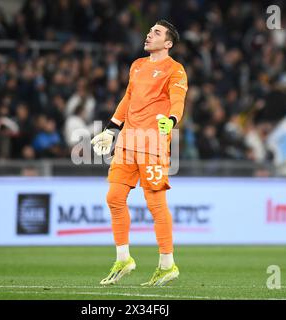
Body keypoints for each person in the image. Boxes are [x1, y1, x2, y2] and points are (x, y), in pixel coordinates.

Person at [91, 20, 188, 286]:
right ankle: (123, 258)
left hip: (154, 143)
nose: (149, 34)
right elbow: (128, 98)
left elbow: (179, 99)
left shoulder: (175, 70)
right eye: (149, 31)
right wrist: (111, 129)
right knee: (114, 197)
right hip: (127, 141)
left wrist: (171, 120)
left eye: (156, 32)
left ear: (168, 43)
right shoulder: (137, 65)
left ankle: (167, 265)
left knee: (156, 204)